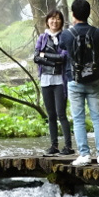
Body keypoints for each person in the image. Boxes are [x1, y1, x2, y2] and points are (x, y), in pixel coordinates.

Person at [61, 0, 99, 166]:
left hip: (75, 80)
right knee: (98, 118)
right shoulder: (98, 33)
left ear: (73, 14)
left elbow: (63, 47)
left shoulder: (67, 34)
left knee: (79, 119)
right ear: (89, 13)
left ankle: (85, 154)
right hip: (94, 80)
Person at [33, 10, 74, 156]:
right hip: (45, 79)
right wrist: (52, 57)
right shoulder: (42, 37)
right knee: (51, 115)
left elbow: (63, 58)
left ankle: (68, 146)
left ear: (61, 22)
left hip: (60, 81)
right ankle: (53, 146)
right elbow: (36, 57)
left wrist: (45, 55)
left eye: (57, 19)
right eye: (52, 19)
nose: (54, 21)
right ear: (47, 21)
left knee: (61, 114)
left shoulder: (65, 36)